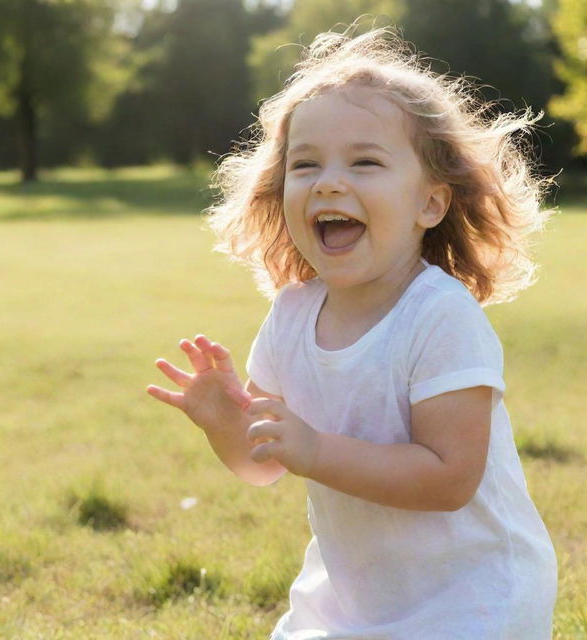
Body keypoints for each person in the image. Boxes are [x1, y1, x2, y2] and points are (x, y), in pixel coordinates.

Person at [147, 23, 558, 640]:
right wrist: (225, 423)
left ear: (431, 204)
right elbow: (263, 464)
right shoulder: (292, 316)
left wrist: (316, 450)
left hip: (470, 600)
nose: (329, 181)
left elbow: (450, 479)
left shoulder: (439, 317)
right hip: (350, 604)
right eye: (305, 164)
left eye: (365, 162)